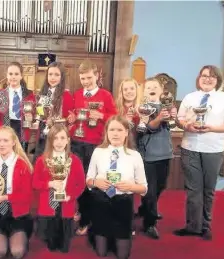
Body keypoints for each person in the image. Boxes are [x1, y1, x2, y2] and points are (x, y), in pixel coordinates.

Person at [174, 65, 224, 240]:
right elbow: (180, 119)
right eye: (204, 75)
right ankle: (192, 226)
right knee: (193, 189)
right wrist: (186, 125)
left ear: (217, 80)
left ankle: (205, 226)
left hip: (213, 149)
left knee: (208, 190)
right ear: (199, 78)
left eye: (212, 76)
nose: (208, 79)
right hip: (190, 147)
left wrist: (212, 127)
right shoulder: (190, 97)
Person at [86, 115, 147, 259]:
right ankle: (98, 233)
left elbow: (144, 188)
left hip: (123, 203)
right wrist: (96, 183)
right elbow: (88, 180)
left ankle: (119, 235)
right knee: (101, 253)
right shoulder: (98, 152)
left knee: (122, 255)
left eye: (119, 130)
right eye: (112, 129)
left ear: (126, 132)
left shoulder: (134, 155)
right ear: (106, 132)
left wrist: (131, 186)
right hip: (101, 202)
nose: (115, 133)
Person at [70, 60, 118, 235]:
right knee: (78, 181)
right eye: (82, 78)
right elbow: (73, 115)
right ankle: (83, 210)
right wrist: (71, 119)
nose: (86, 81)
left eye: (89, 77)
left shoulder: (105, 95)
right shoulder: (76, 95)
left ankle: (87, 219)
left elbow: (115, 119)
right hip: (76, 142)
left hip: (96, 145)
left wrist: (102, 115)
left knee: (92, 182)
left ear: (97, 76)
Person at [135, 77, 177, 239]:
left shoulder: (166, 105)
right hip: (149, 155)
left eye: (155, 87)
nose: (151, 89)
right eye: (148, 87)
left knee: (161, 186)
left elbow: (174, 123)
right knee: (150, 191)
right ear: (144, 92)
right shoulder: (143, 108)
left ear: (161, 92)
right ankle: (150, 223)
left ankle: (145, 208)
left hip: (165, 153)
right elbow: (148, 128)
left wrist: (174, 115)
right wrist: (159, 118)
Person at [33, 124, 85, 252]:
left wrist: (71, 196)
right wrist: (49, 184)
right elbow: (35, 182)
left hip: (66, 205)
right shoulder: (42, 160)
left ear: (68, 140)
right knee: (50, 245)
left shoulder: (74, 160)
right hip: (48, 206)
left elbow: (81, 184)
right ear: (50, 141)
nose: (59, 142)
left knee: (64, 248)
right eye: (55, 138)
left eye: (62, 138)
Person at [0, 126, 34, 259]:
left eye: (5, 140)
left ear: (14, 142)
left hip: (18, 215)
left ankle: (22, 237)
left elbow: (27, 196)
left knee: (17, 252)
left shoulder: (22, 165)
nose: (1, 144)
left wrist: (4, 197)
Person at [33, 62, 74, 162]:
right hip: (43, 132)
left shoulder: (66, 95)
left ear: (62, 77)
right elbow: (40, 113)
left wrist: (54, 121)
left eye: (57, 75)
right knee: (40, 160)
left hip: (57, 133)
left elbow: (68, 119)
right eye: (50, 74)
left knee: (54, 161)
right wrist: (37, 117)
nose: (53, 77)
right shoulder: (43, 93)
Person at [2, 62, 35, 152]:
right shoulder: (1, 94)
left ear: (21, 76)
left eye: (16, 74)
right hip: (7, 127)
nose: (13, 77)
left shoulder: (29, 94)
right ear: (7, 76)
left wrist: (32, 116)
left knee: (22, 159)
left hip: (23, 129)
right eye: (10, 74)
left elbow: (35, 112)